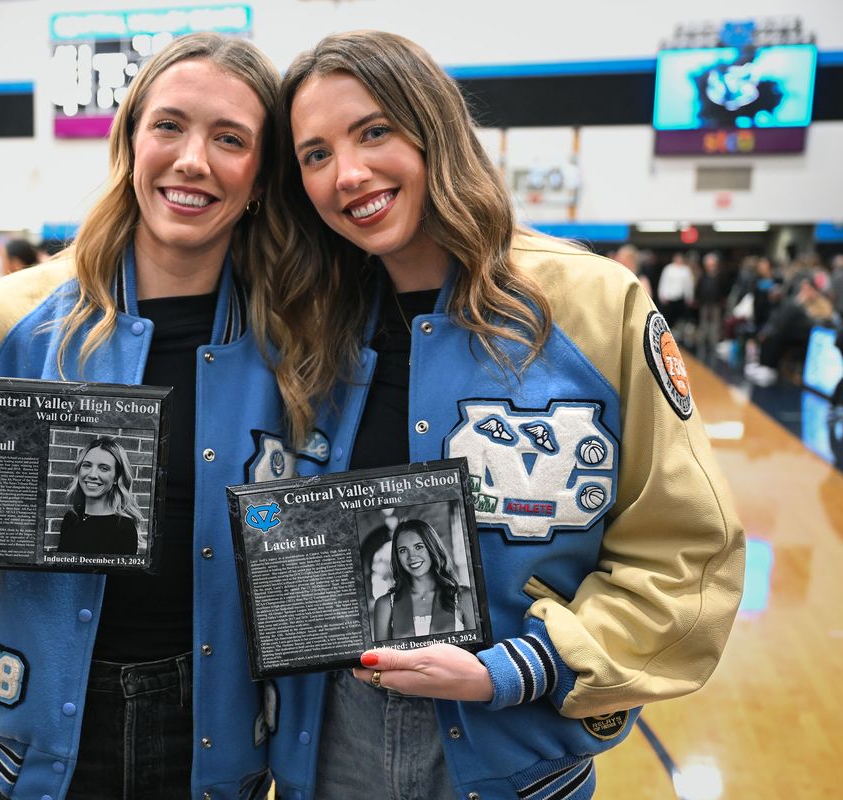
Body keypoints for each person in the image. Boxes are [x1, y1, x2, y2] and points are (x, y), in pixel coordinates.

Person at [257, 31, 745, 800]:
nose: (348, 174)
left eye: (374, 131)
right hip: (328, 750)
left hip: (515, 753)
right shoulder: (303, 324)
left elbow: (684, 555)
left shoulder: (590, 305)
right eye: (315, 154)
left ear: (435, 128)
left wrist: (519, 668)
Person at [0, 33, 286, 800]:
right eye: (169, 125)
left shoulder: (303, 341)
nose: (192, 159)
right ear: (129, 142)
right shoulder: (5, 319)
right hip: (36, 737)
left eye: (229, 138)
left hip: (225, 739)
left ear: (262, 174)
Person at [371, 518, 474, 641]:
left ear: (432, 547)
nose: (412, 556)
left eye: (419, 547)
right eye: (403, 550)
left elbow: (475, 651)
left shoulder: (464, 597)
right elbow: (383, 658)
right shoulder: (385, 605)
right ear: (397, 557)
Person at [57, 437, 144, 556]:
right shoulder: (71, 518)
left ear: (116, 478)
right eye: (87, 465)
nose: (92, 475)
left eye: (104, 468)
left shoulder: (124, 528)